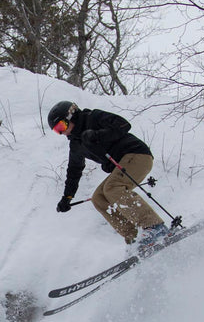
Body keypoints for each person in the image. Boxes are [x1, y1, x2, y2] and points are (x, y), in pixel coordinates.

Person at [47, 100, 168, 252]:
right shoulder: (76, 144)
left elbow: (123, 125)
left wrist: (98, 135)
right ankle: (134, 239)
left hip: (137, 155)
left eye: (61, 126)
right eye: (57, 131)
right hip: (122, 165)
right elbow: (74, 171)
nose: (62, 132)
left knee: (112, 188)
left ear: (72, 116)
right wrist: (67, 198)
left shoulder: (93, 117)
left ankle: (155, 227)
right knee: (99, 198)